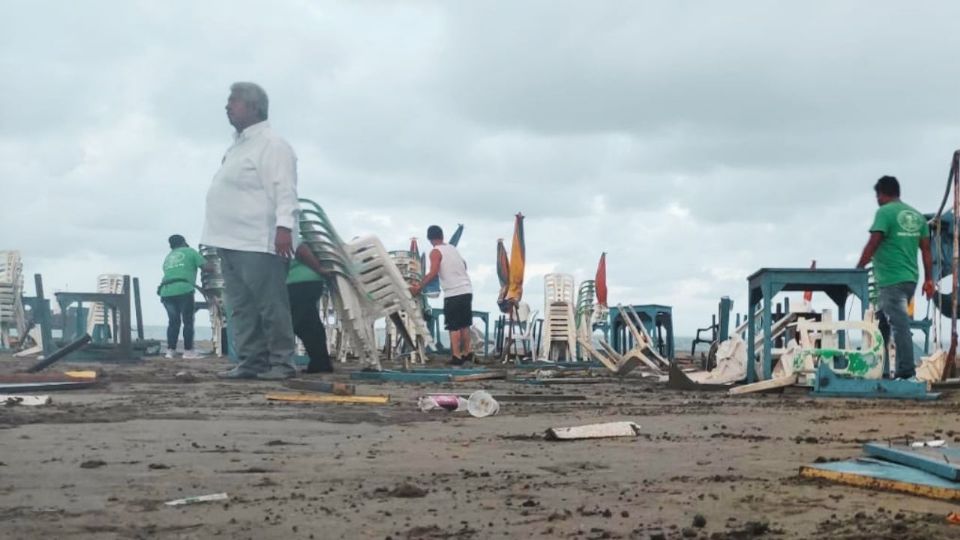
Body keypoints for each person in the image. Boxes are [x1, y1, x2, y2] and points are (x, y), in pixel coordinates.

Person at [201, 82, 299, 380]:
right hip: (228, 239)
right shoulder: (238, 145)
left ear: (254, 107)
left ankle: (282, 362)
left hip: (258, 239)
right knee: (240, 307)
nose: (227, 106)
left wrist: (284, 227)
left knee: (270, 305)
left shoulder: (272, 144)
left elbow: (285, 188)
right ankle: (251, 361)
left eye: (234, 101)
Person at [856, 175, 935, 379]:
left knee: (899, 324)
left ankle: (906, 372)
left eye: (878, 196)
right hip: (910, 278)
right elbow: (926, 250)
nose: (877, 200)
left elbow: (874, 241)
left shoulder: (885, 212)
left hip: (891, 279)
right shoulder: (917, 216)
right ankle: (880, 370)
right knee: (883, 323)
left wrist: (858, 269)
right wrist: (929, 279)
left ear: (882, 194)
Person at [410, 225, 474, 365]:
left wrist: (419, 287)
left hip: (453, 292)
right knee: (465, 324)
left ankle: (456, 356)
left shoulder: (435, 252)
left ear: (429, 238)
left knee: (453, 326)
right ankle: (467, 353)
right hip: (467, 289)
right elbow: (464, 265)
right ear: (442, 236)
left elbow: (433, 272)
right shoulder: (452, 249)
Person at [158, 234, 207, 359]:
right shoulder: (190, 252)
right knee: (188, 321)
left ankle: (170, 351)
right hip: (184, 290)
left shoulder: (168, 257)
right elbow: (206, 267)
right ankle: (188, 351)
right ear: (184, 242)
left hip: (166, 291)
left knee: (173, 322)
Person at [288, 243, 333, 373]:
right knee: (308, 323)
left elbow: (300, 248)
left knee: (300, 324)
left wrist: (319, 269)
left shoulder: (284, 227)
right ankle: (321, 362)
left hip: (299, 281)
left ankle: (320, 362)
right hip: (306, 280)